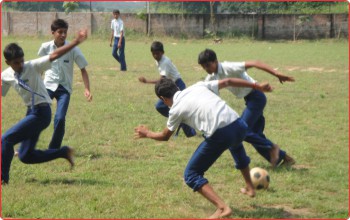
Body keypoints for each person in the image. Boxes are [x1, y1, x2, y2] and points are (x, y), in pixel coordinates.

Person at [134, 78, 273, 218]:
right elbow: (228, 81)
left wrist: (147, 133)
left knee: (191, 174)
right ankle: (250, 186)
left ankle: (222, 208)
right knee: (236, 146)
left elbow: (164, 136)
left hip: (222, 134)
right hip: (239, 124)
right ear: (176, 87)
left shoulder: (175, 109)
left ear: (163, 99)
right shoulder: (198, 85)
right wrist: (256, 85)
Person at [1, 29, 88, 185]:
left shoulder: (32, 66)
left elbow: (54, 55)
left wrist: (75, 42)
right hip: (31, 112)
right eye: (16, 63)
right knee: (25, 156)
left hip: (41, 113)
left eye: (22, 60)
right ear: (7, 63)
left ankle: (3, 180)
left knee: (6, 140)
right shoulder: (6, 75)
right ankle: (63, 152)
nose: (20, 65)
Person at [198, 48, 295, 167]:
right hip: (249, 100)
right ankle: (284, 158)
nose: (207, 69)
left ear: (216, 61)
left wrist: (276, 73)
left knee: (242, 130)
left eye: (208, 65)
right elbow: (204, 90)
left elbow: (255, 63)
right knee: (254, 134)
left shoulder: (229, 67)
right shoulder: (212, 77)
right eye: (204, 67)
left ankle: (273, 148)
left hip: (256, 97)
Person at [37, 19, 92, 150]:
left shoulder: (73, 49)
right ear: (52, 32)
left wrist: (87, 89)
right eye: (60, 32)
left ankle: (54, 148)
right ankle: (27, 146)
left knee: (60, 118)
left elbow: (83, 69)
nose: (63, 35)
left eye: (65, 32)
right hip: (48, 87)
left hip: (64, 89)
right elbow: (39, 69)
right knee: (37, 115)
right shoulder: (45, 48)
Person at [138, 41, 196, 137]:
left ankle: (186, 128)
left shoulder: (165, 61)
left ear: (163, 52)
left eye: (158, 53)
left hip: (177, 85)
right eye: (153, 53)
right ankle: (185, 127)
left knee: (161, 106)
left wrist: (147, 81)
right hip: (170, 85)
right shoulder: (159, 60)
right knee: (174, 109)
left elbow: (162, 79)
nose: (156, 55)